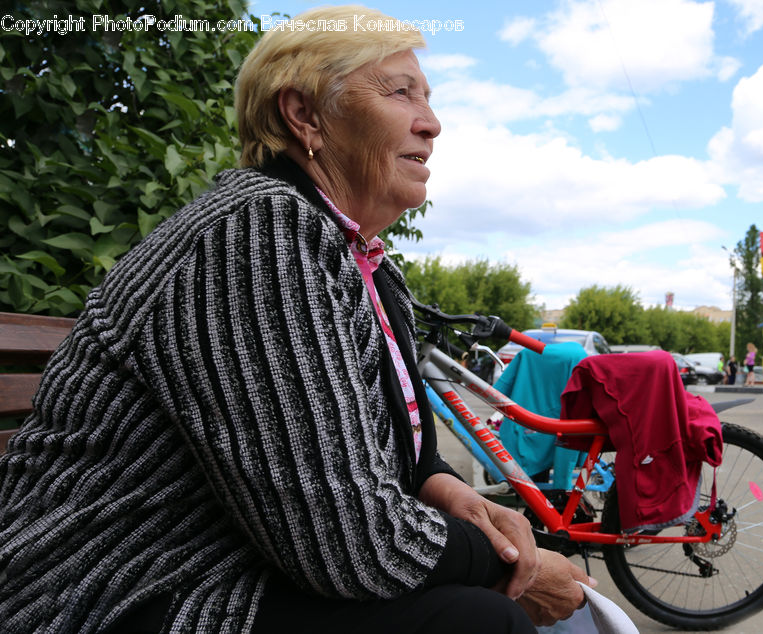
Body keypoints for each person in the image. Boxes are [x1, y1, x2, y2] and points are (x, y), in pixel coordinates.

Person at [0, 7, 591, 633]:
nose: (433, 123)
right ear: (304, 115)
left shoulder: (363, 264)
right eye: (400, 92)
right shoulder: (255, 234)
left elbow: (398, 453)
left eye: (429, 97)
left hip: (230, 567)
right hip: (108, 590)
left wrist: (450, 490)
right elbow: (346, 539)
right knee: (478, 619)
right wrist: (507, 566)